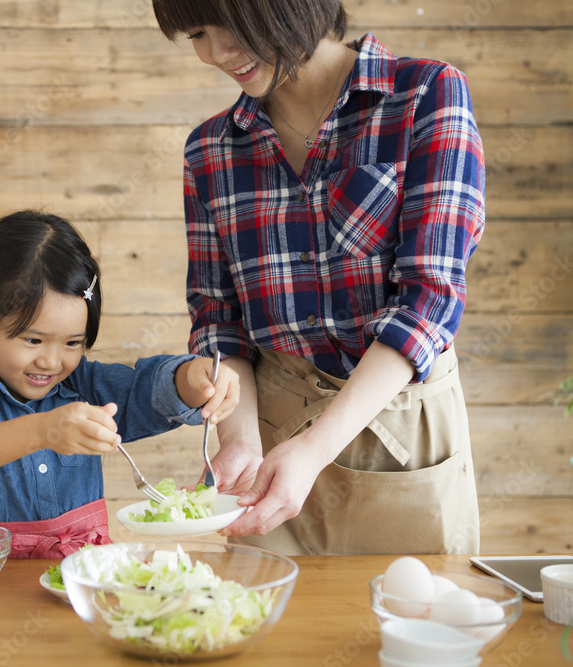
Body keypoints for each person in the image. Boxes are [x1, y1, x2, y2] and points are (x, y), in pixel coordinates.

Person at [151, 0, 485, 554]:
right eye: (198, 33)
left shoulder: (424, 95)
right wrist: (238, 442)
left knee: (412, 622)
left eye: (230, 26)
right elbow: (219, 325)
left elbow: (427, 303)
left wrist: (315, 449)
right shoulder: (210, 152)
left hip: (400, 427)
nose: (215, 53)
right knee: (264, 630)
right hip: (271, 439)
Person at [0, 210, 240, 558]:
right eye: (33, 341)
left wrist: (194, 378)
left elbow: (150, 390)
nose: (51, 362)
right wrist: (43, 431)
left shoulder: (88, 386)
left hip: (84, 585)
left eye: (71, 344)